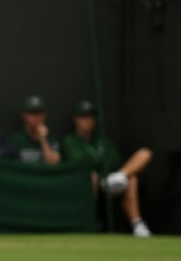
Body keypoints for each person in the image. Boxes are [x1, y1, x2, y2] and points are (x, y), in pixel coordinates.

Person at [62, 100, 153, 237]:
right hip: (90, 182)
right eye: (84, 117)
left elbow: (114, 160)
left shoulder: (102, 140)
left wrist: (117, 175)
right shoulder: (70, 141)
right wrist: (98, 161)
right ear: (76, 120)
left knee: (139, 165)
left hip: (111, 180)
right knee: (91, 176)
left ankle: (137, 224)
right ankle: (89, 222)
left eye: (91, 117)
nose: (89, 121)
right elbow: (80, 161)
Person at [8, 95, 61, 164]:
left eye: (39, 113)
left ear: (45, 116)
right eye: (32, 113)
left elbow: (53, 163)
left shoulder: (51, 138)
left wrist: (43, 140)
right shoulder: (15, 139)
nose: (36, 117)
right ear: (24, 116)